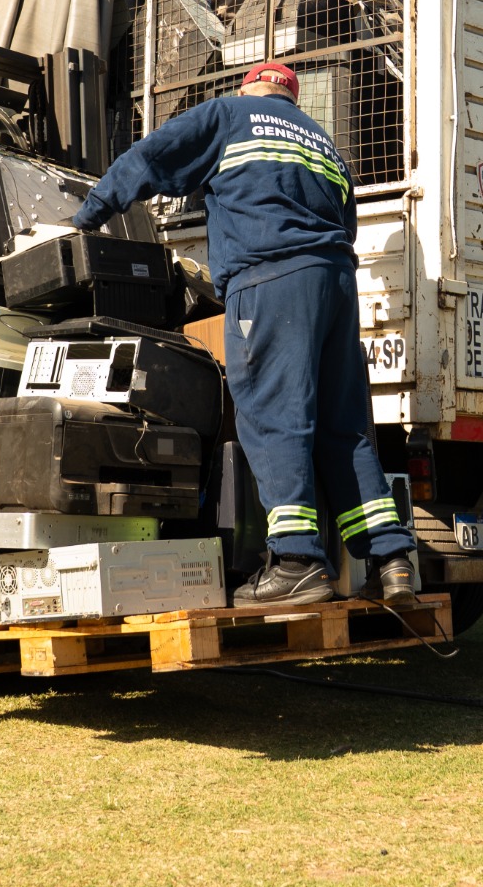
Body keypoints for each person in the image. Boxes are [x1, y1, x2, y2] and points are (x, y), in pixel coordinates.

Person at [69, 61, 416, 609]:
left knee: (276, 417)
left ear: (247, 86)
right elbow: (345, 224)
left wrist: (84, 219)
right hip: (335, 284)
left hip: (270, 280)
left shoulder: (229, 115)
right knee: (343, 428)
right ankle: (391, 562)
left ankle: (299, 561)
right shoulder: (322, 143)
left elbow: (153, 156)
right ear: (293, 99)